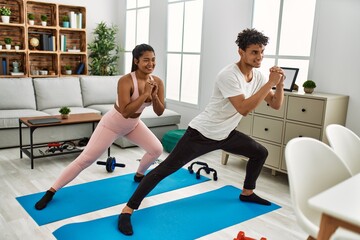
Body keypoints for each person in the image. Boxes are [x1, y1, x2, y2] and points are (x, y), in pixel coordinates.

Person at [118, 28, 286, 236]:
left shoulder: (258, 77)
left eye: (261, 52)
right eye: (254, 52)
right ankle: (127, 210)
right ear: (241, 52)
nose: (259, 57)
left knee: (260, 152)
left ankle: (247, 192)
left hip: (225, 133)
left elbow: (276, 104)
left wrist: (279, 85)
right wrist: (270, 82)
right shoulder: (229, 75)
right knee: (165, 170)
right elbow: (242, 107)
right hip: (201, 133)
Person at [35, 44, 165, 210]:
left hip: (133, 124)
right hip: (112, 124)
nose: (151, 64)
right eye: (146, 60)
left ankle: (139, 175)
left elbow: (159, 111)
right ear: (136, 61)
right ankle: (51, 192)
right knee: (86, 159)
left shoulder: (158, 82)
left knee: (156, 149)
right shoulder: (126, 81)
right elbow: (125, 112)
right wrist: (145, 94)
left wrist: (154, 97)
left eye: (153, 60)